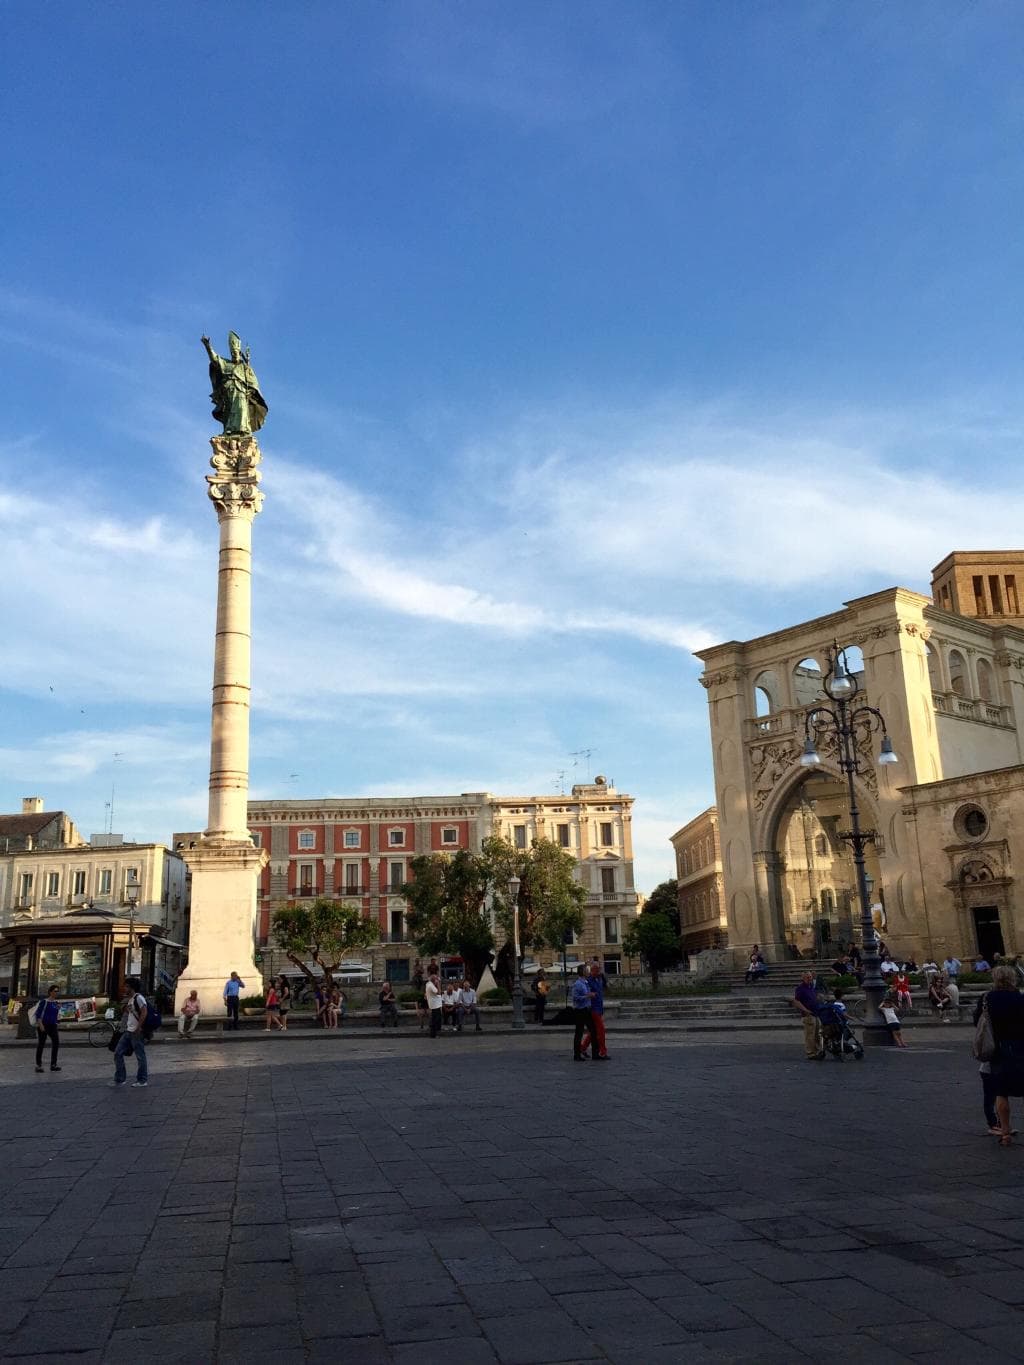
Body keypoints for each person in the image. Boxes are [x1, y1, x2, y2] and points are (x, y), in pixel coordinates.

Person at [979, 964, 1024, 1146]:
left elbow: (978, 1022)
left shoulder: (987, 999)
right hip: (1021, 1047)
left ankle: (1005, 1133)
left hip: (998, 1050)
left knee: (1001, 1092)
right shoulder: (1020, 999)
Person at [202, 332, 268, 436]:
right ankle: (229, 430)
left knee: (241, 409)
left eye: (236, 353)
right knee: (229, 412)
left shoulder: (245, 367)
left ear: (239, 354)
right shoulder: (226, 364)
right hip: (229, 392)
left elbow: (253, 381)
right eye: (233, 353)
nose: (234, 355)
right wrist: (208, 347)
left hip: (241, 391)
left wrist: (251, 390)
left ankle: (243, 430)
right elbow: (214, 359)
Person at [113, 977, 149, 1088]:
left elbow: (144, 1011)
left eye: (126, 986)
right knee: (118, 1053)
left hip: (136, 1031)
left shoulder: (139, 998)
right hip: (128, 1030)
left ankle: (142, 1080)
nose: (124, 988)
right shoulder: (131, 999)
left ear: (131, 987)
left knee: (140, 1056)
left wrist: (139, 1026)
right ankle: (120, 1078)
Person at [580, 958, 610, 1059]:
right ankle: (602, 1051)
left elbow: (604, 989)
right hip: (593, 1009)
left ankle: (582, 1048)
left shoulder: (600, 978)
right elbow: (585, 994)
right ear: (592, 969)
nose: (599, 970)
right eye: (597, 968)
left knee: (594, 1031)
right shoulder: (588, 981)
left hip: (599, 1008)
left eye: (599, 968)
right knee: (601, 1030)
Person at [792, 972, 821, 1060]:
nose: (809, 978)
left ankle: (816, 1051)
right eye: (807, 977)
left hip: (815, 1013)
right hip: (808, 1015)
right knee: (809, 1035)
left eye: (810, 977)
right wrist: (805, 1010)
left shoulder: (811, 987)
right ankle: (810, 1053)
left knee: (816, 1034)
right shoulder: (800, 988)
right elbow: (796, 1001)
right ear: (803, 978)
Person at [571, 965, 597, 1062]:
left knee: (593, 1031)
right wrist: (587, 996)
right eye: (587, 970)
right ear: (582, 972)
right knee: (579, 1033)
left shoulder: (585, 982)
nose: (588, 971)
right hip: (580, 1010)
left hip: (587, 1009)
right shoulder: (578, 984)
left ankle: (595, 1053)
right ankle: (577, 1055)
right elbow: (575, 998)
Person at [34, 984, 61, 1073]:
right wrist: (40, 1025)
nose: (56, 993)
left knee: (56, 1043)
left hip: (52, 1025)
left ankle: (53, 1064)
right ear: (50, 992)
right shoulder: (44, 1002)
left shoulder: (55, 1003)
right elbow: (38, 1014)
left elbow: (55, 1015)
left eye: (57, 991)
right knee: (41, 1044)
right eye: (55, 991)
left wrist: (58, 1010)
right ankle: (38, 1065)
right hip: (43, 1025)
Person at [425, 972, 443, 1038]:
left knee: (435, 1019)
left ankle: (434, 1033)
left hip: (434, 1004)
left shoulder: (428, 984)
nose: (437, 980)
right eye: (436, 979)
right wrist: (438, 984)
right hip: (435, 1005)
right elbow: (438, 992)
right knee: (435, 1020)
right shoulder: (431, 986)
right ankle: (433, 1034)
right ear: (434, 980)